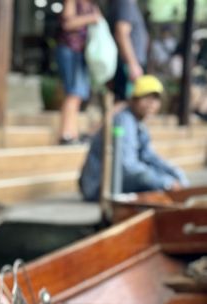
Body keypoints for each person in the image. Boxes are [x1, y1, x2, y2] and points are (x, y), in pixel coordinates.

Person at [79, 75, 189, 202]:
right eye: (146, 97)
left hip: (115, 180)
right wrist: (166, 183)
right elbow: (129, 166)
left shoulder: (138, 123)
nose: (151, 103)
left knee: (162, 180)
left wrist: (175, 173)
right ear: (134, 100)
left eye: (155, 98)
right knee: (155, 184)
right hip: (98, 186)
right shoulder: (124, 120)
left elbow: (149, 156)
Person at [55, 0, 100, 145]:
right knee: (73, 93)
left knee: (78, 94)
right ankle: (66, 134)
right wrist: (90, 18)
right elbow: (67, 24)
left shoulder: (92, 5)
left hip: (82, 53)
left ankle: (72, 133)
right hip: (70, 50)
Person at [110, 0, 149, 103]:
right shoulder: (125, 3)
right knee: (126, 102)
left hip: (130, 63)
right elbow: (121, 33)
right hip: (128, 64)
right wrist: (132, 64)